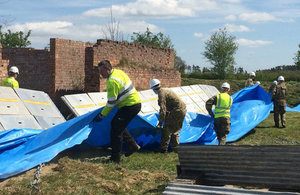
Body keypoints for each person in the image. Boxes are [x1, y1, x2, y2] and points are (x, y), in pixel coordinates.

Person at [94, 60, 141, 163]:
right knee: (117, 125)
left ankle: (115, 158)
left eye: (101, 71)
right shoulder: (118, 72)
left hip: (129, 106)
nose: (100, 74)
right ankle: (132, 145)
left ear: (108, 69)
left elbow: (111, 103)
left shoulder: (112, 81)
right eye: (99, 71)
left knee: (116, 130)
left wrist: (102, 115)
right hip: (135, 103)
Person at [150, 79, 186, 153]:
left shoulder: (161, 94)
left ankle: (163, 149)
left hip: (176, 111)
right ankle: (176, 149)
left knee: (166, 129)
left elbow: (162, 110)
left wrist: (160, 123)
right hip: (182, 110)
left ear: (153, 89)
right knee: (175, 130)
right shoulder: (166, 91)